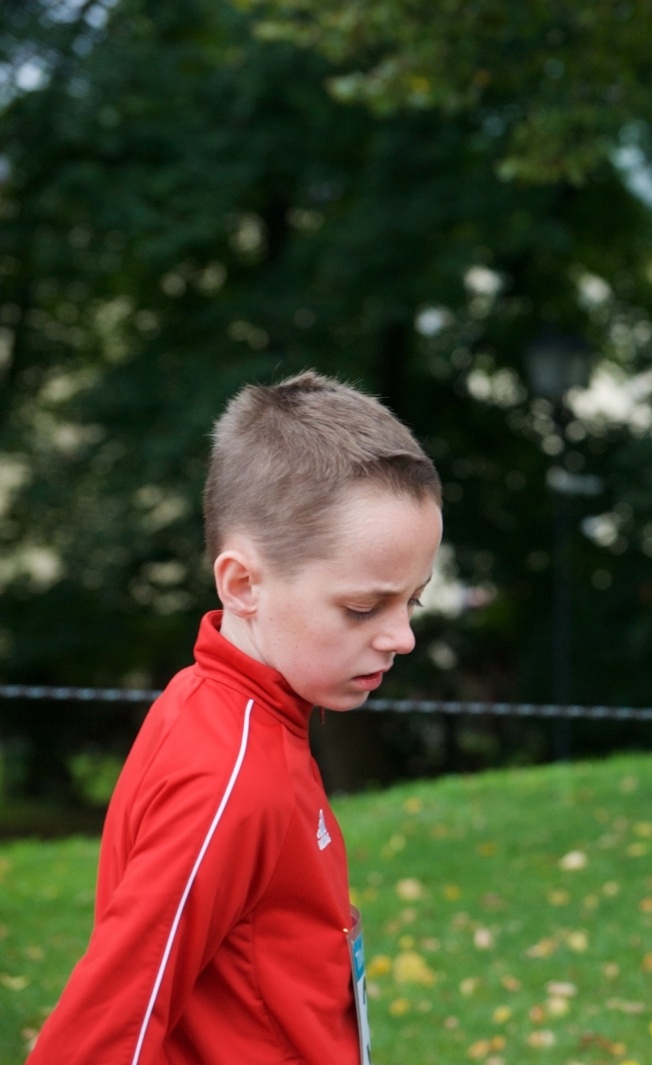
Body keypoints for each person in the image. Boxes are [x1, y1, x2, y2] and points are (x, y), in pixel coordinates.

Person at [30, 372, 443, 1065]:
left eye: (414, 602)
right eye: (364, 608)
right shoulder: (231, 775)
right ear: (244, 584)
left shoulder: (236, 710)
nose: (401, 637)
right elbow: (107, 1027)